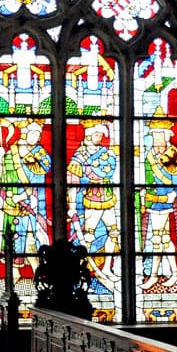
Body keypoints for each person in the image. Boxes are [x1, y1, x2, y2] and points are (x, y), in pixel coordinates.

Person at [67, 119, 119, 282]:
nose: (100, 137)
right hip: (92, 199)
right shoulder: (80, 156)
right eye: (97, 134)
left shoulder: (106, 152)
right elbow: (72, 183)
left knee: (114, 233)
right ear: (89, 135)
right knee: (87, 237)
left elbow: (113, 169)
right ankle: (78, 270)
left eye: (100, 134)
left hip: (109, 197)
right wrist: (72, 206)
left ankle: (106, 267)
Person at [139, 116, 177, 290]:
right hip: (152, 202)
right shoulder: (149, 155)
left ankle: (154, 276)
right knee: (163, 239)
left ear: (167, 135)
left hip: (165, 202)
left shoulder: (173, 154)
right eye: (154, 134)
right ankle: (173, 273)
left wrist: (172, 194)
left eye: (160, 134)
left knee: (158, 239)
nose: (157, 138)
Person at [0, 118, 52, 261]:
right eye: (31, 133)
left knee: (33, 232)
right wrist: (0, 160)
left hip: (34, 199)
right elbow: (4, 176)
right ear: (24, 134)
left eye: (36, 135)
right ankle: (16, 261)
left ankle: (37, 263)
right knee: (15, 231)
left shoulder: (41, 153)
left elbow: (44, 168)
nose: (34, 137)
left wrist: (26, 156)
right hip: (13, 200)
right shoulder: (12, 151)